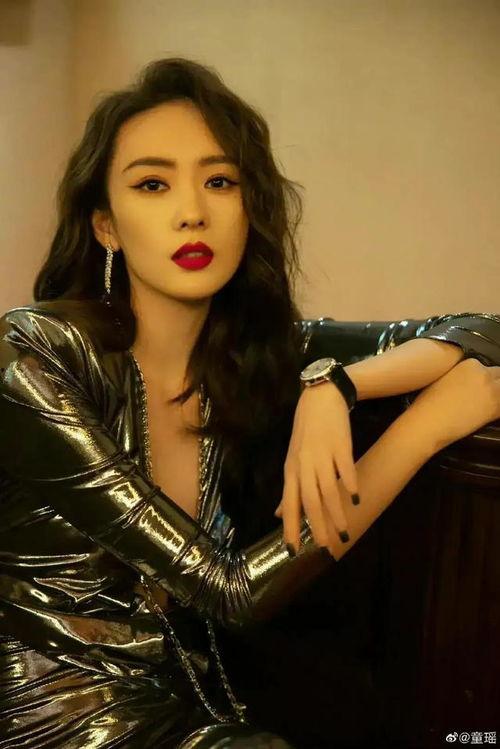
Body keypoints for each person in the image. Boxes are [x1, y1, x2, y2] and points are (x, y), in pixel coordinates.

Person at [1, 56, 500, 749]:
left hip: (193, 706)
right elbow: (230, 591)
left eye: (220, 181)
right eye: (152, 184)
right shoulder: (34, 358)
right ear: (106, 225)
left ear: (248, 207)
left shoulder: (252, 354)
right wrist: (421, 432)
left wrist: (336, 385)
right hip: (51, 722)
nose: (192, 212)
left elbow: (482, 329)